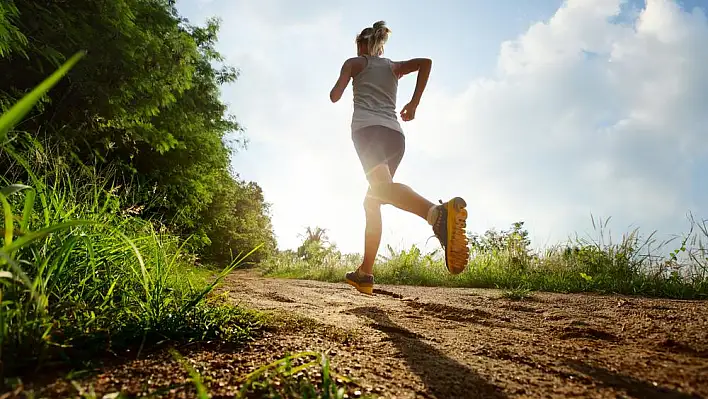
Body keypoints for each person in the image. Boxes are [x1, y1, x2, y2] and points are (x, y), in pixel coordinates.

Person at [329, 21, 469, 295]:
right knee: (374, 200)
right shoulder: (393, 67)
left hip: (368, 131)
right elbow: (425, 63)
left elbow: (335, 96)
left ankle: (436, 214)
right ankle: (365, 273)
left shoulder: (355, 62)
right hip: (395, 136)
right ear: (380, 46)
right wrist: (414, 103)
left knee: (380, 191)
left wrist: (347, 75)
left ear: (361, 46)